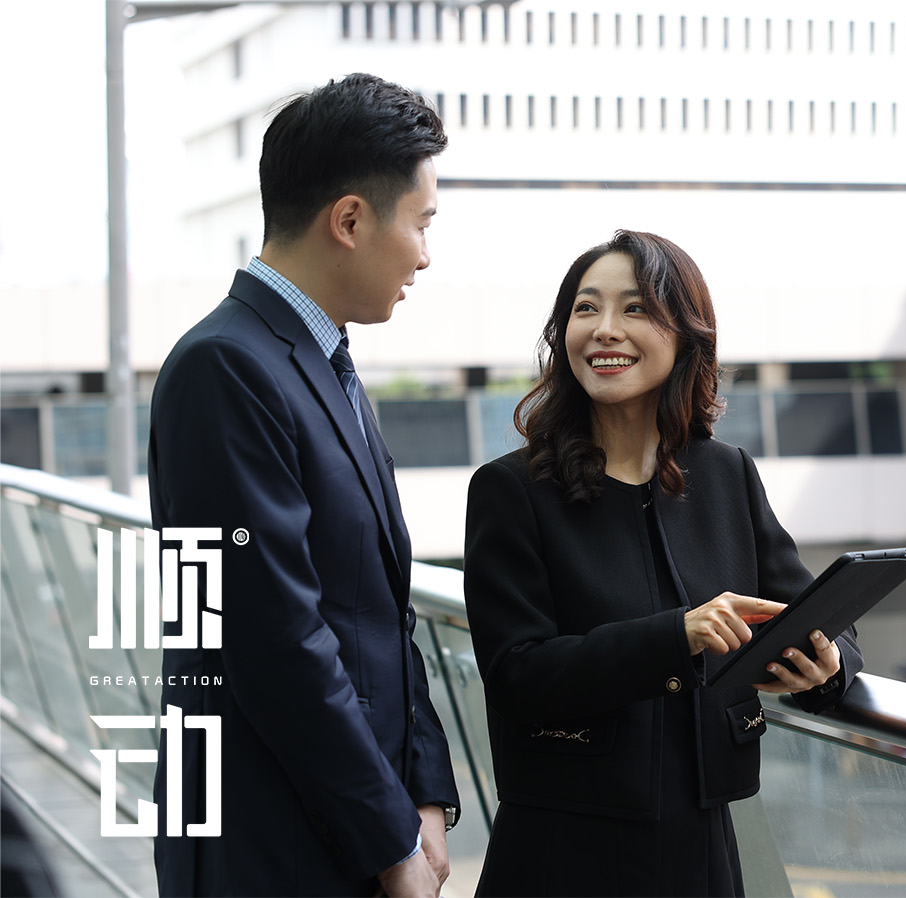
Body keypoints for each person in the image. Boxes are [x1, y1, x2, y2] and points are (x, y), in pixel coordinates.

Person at [463, 230, 862, 897]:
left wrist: (826, 668)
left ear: (686, 336)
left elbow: (820, 619)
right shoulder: (511, 490)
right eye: (585, 309)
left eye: (636, 309)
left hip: (702, 850)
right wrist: (677, 635)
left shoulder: (726, 475)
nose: (604, 330)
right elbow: (516, 673)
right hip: (563, 852)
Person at [147, 73, 460, 897]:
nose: (426, 253)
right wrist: (390, 842)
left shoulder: (321, 359)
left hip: (341, 826)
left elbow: (383, 610)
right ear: (350, 219)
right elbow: (275, 639)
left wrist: (425, 792)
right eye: (422, 224)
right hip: (271, 844)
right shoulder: (227, 367)